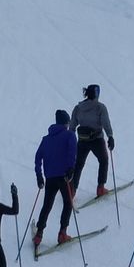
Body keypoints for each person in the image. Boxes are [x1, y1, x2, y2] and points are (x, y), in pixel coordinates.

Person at [33, 110, 77, 246]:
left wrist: (39, 177)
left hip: (50, 178)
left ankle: (39, 234)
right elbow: (72, 153)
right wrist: (71, 169)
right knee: (68, 203)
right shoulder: (70, 135)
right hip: (65, 177)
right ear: (66, 122)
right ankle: (62, 233)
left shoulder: (46, 139)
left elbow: (37, 158)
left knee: (47, 205)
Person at [69, 84, 115, 198]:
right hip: (97, 140)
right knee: (103, 161)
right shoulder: (100, 107)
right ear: (97, 94)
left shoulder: (78, 108)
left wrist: (70, 139)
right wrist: (110, 136)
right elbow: (106, 123)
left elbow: (72, 126)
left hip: (82, 140)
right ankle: (100, 188)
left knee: (78, 164)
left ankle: (72, 191)